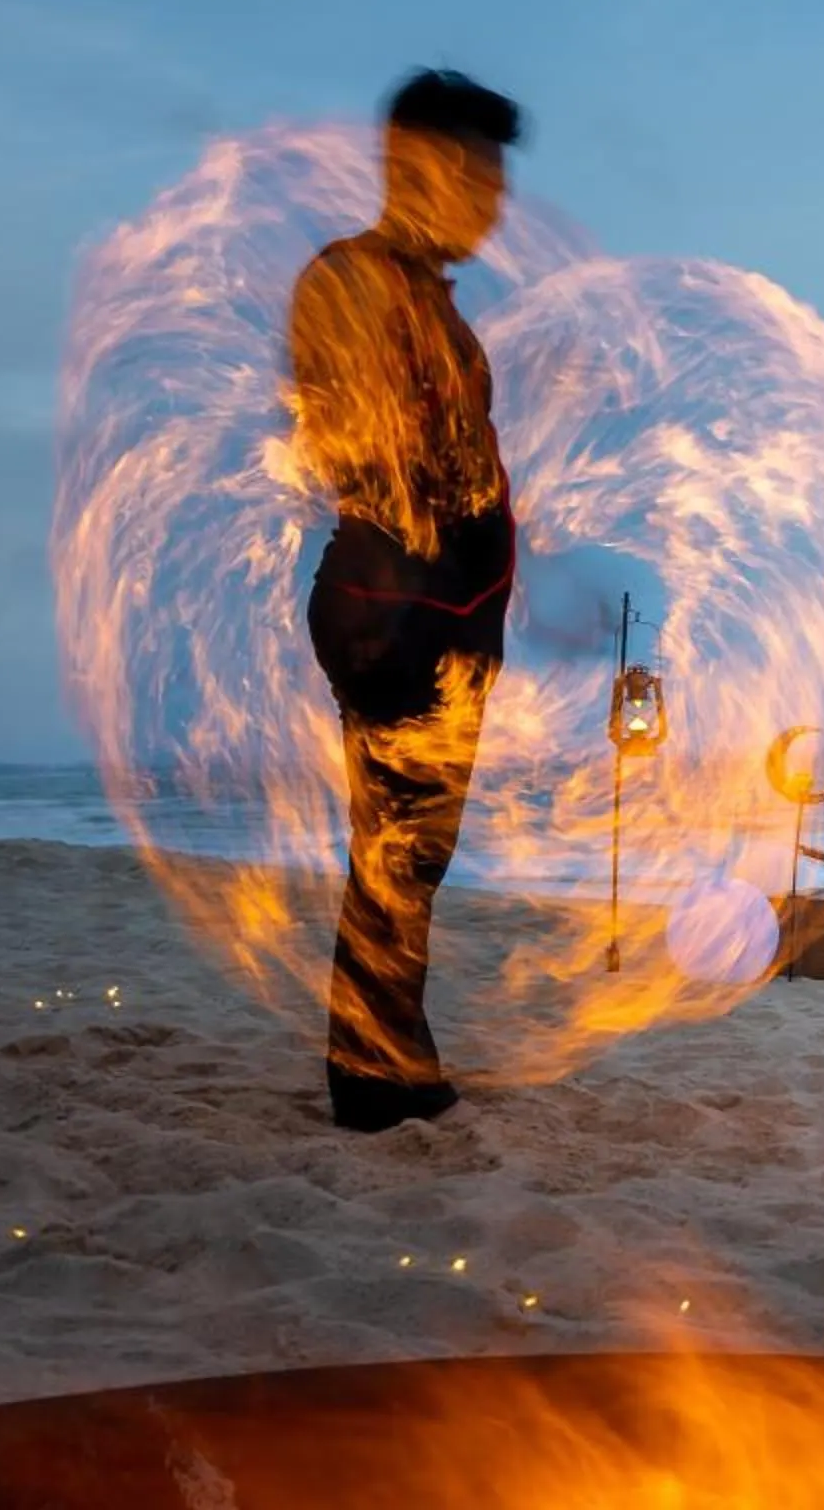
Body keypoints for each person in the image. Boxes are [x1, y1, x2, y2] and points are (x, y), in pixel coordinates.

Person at [288, 68, 524, 1130]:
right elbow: (359, 449)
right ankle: (373, 1074)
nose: (492, 208)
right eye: (478, 180)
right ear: (420, 167)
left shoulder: (434, 305)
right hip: (393, 608)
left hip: (448, 611)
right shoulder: (354, 282)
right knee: (397, 848)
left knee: (412, 856)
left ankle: (392, 1053)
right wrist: (430, 568)